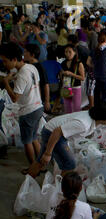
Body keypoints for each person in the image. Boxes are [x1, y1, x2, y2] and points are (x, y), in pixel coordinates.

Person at [28, 101, 106, 178]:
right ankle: (63, 192)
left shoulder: (98, 117)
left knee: (41, 161)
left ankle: (28, 183)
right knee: (69, 164)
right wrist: (48, 153)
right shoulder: (84, 123)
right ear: (104, 118)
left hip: (52, 129)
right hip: (53, 133)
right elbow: (57, 132)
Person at [1, 43, 44, 173]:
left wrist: (6, 82)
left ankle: (32, 168)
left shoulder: (21, 75)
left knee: (27, 141)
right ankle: (40, 165)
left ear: (14, 59)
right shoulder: (31, 67)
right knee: (34, 138)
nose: (4, 64)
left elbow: (14, 98)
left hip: (28, 111)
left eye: (5, 61)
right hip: (38, 107)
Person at [87, 32, 106, 106]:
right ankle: (104, 108)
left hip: (96, 75)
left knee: (98, 93)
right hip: (105, 76)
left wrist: (95, 66)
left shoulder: (93, 50)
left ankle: (98, 108)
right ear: (105, 41)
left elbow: (88, 62)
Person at [24, 44, 51, 114]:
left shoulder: (39, 67)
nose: (23, 54)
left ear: (32, 55)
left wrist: (47, 101)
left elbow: (46, 85)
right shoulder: (26, 66)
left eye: (25, 52)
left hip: (38, 99)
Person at [60, 45, 85, 114]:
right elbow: (61, 76)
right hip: (66, 87)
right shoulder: (63, 63)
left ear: (75, 53)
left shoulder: (78, 63)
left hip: (76, 87)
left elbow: (82, 78)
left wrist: (71, 74)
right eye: (66, 52)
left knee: (76, 109)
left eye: (70, 52)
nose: (67, 54)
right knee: (67, 109)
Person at [42, 48, 63, 114]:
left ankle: (47, 108)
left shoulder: (42, 63)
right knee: (57, 93)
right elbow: (62, 77)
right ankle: (55, 106)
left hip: (44, 86)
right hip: (55, 86)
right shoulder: (57, 64)